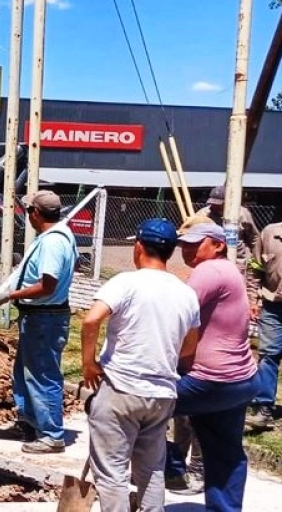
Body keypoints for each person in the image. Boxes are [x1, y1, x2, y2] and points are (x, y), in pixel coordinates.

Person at [81, 218, 201, 512]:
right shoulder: (186, 293)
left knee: (112, 472)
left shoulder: (126, 282)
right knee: (151, 470)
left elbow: (91, 319)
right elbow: (191, 345)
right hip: (161, 394)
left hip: (121, 389)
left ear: (138, 247)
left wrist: (89, 364)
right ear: (171, 251)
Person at [165, 222, 258, 512]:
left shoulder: (210, 270)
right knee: (226, 453)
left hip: (209, 381)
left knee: (132, 409)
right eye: (184, 245)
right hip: (240, 380)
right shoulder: (229, 271)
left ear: (218, 245)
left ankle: (172, 470)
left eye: (196, 243)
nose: (187, 250)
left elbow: (175, 314)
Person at [0, 190, 78, 454]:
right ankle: (28, 422)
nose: (27, 215)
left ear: (36, 213)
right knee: (25, 373)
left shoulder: (52, 243)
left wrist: (10, 295)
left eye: (28, 211)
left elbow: (46, 285)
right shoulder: (54, 237)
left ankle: (51, 435)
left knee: (43, 375)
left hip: (45, 318)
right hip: (38, 317)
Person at [248, 219, 282, 430]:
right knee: (268, 355)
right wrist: (253, 298)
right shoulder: (270, 233)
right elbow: (255, 267)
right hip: (273, 306)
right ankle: (264, 409)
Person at [183, 186, 259, 267]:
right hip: (209, 264)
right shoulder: (203, 215)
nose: (214, 206)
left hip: (237, 264)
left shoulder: (242, 214)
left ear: (228, 202)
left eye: (219, 204)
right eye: (213, 203)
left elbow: (254, 239)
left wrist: (256, 262)